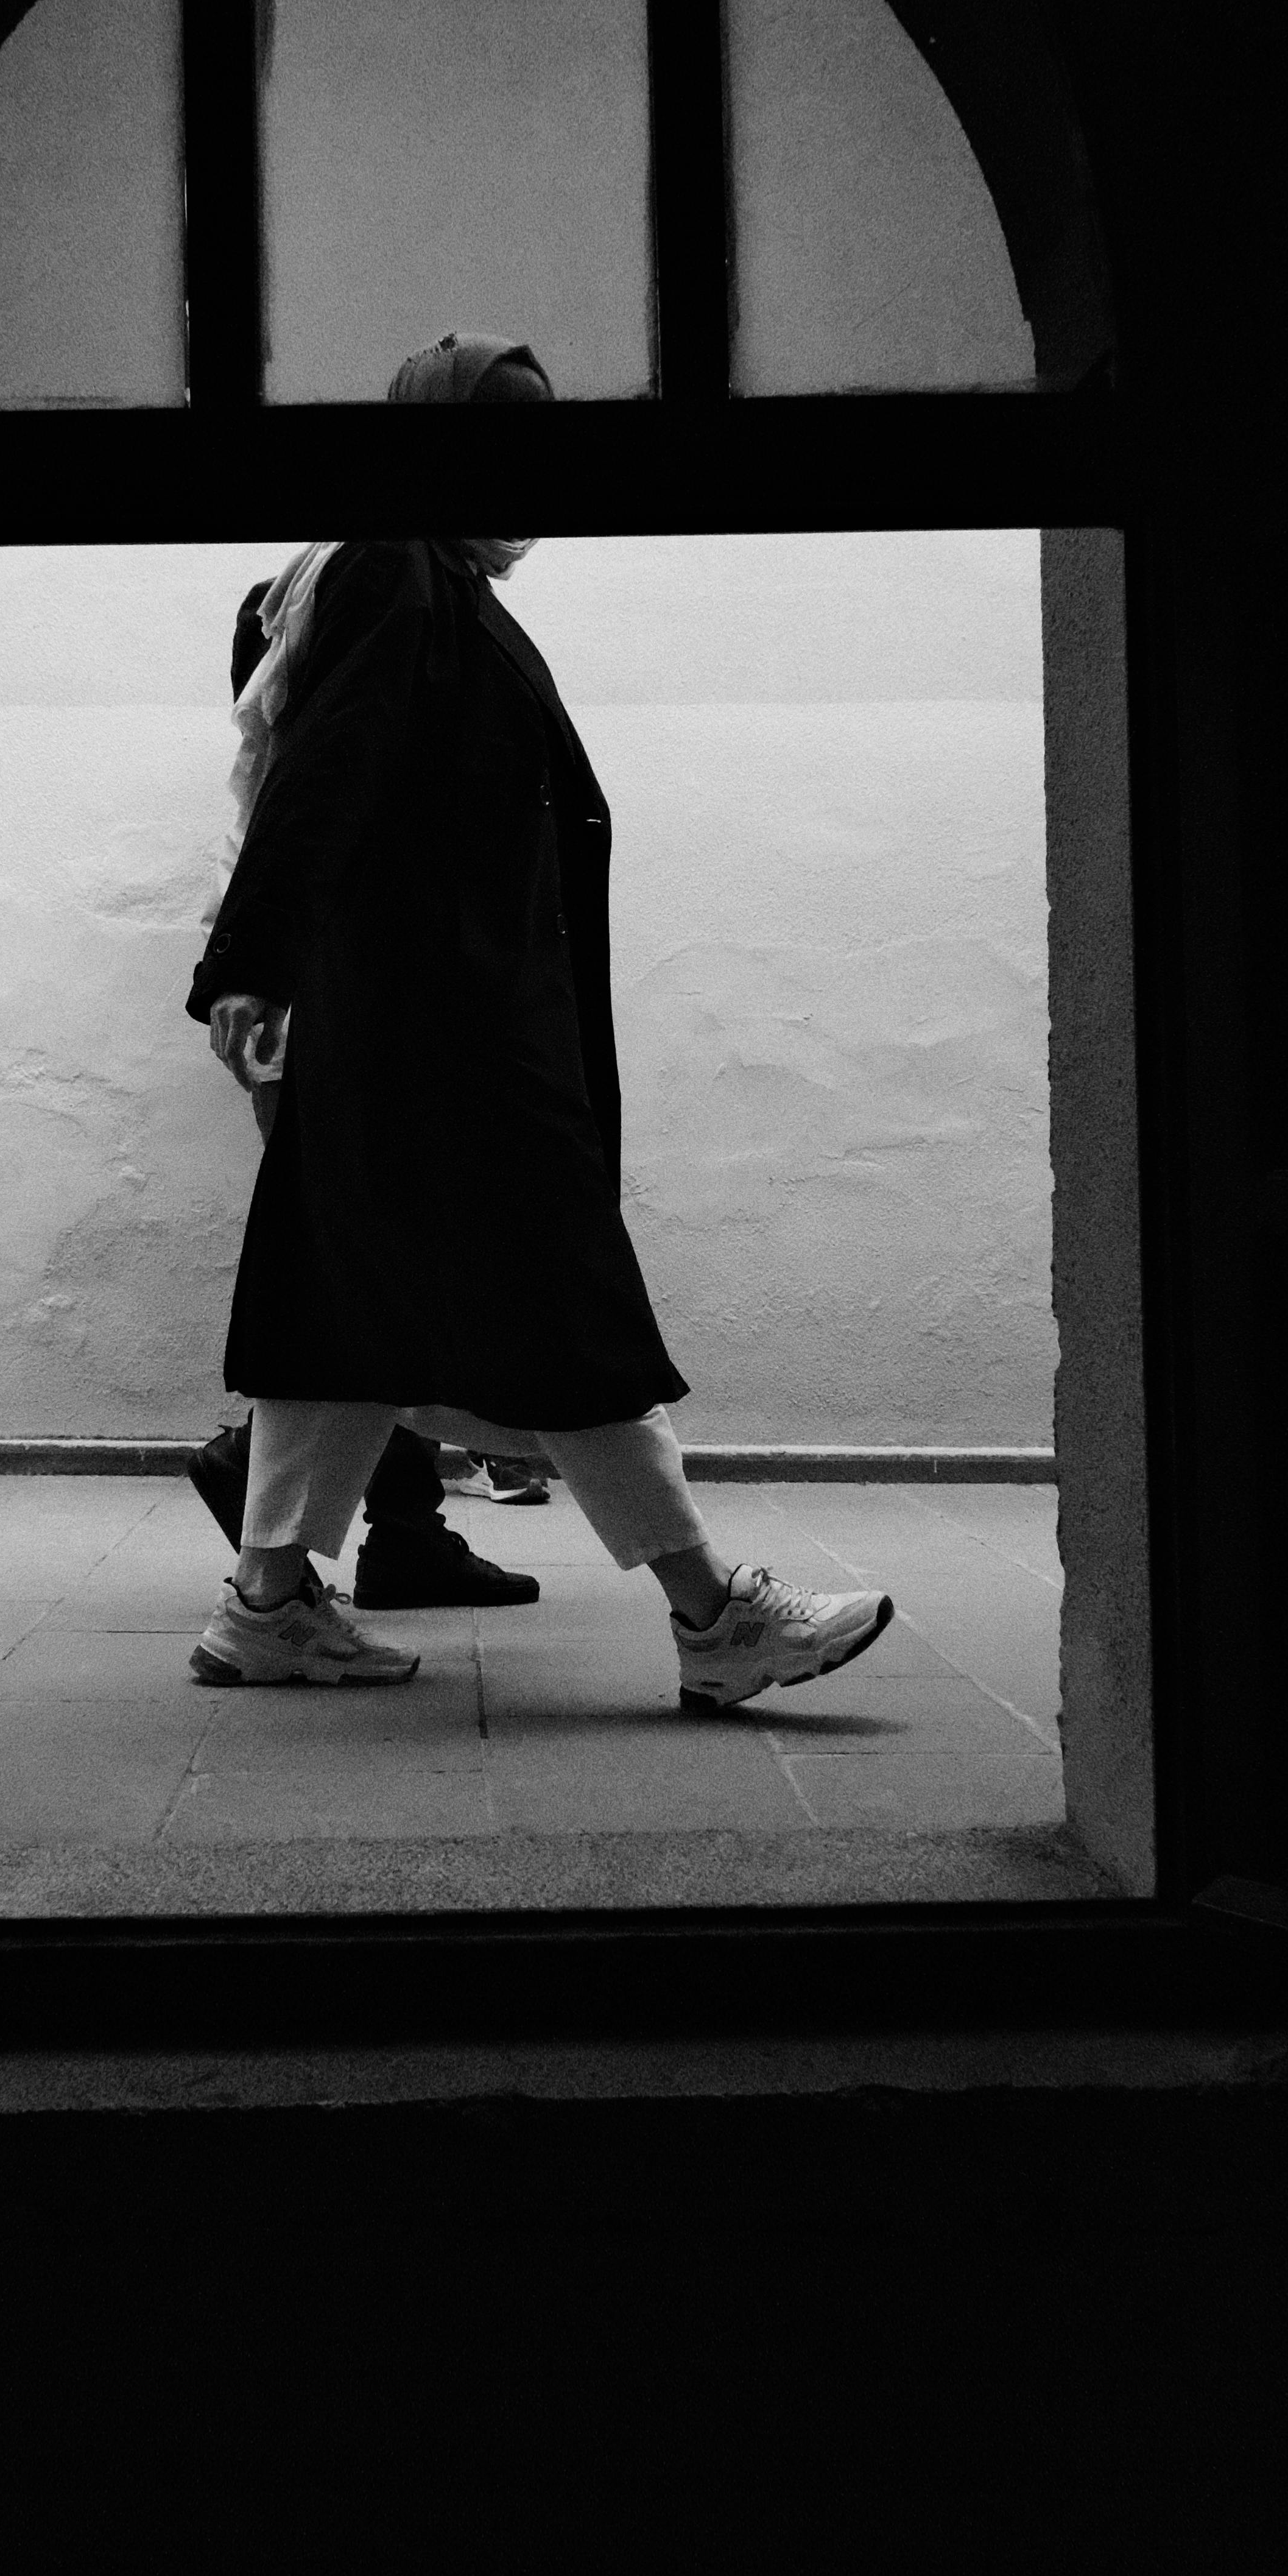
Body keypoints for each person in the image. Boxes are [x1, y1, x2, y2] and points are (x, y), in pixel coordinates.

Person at [182, 330, 895, 1710]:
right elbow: (321, 784)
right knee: (565, 1305)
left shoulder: (419, 575)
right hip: (445, 1035)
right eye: (502, 427)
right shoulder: (397, 571)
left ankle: (268, 1606)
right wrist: (249, 971)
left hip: (416, 1026)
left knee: (339, 1319)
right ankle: (713, 1615)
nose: (534, 460)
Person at [188, 557, 541, 1611]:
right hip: (330, 1008)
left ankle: (384, 1532)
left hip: (323, 1002)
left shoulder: (292, 702)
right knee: (369, 1266)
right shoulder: (351, 627)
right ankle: (328, 1505)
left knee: (365, 1270)